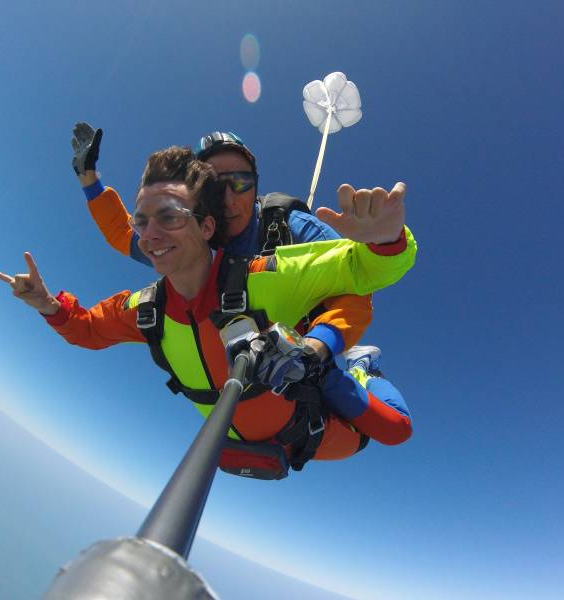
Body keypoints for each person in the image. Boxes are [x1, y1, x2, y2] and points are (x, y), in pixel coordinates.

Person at [0, 147, 417, 473]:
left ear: (205, 225)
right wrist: (48, 305)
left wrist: (385, 240)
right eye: (146, 222)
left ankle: (362, 369)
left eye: (171, 217)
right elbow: (92, 318)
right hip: (257, 435)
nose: (152, 234)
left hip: (308, 399)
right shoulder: (147, 309)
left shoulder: (270, 267)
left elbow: (360, 275)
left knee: (394, 429)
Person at [71, 124, 403, 427]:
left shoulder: (290, 226)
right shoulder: (192, 239)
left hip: (306, 343)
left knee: (392, 426)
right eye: (215, 186)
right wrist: (89, 178)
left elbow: (358, 286)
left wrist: (318, 346)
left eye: (241, 183)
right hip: (248, 364)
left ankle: (362, 367)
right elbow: (125, 234)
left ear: (255, 185)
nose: (228, 199)